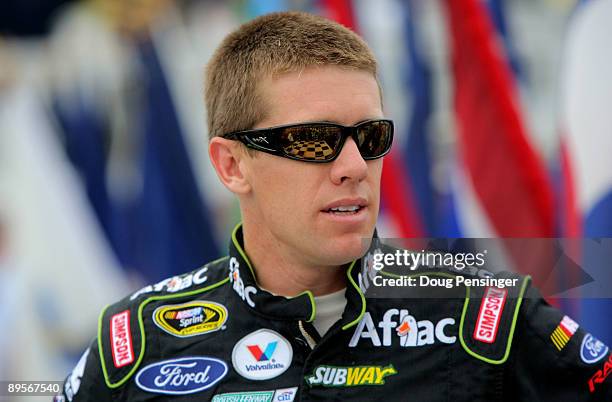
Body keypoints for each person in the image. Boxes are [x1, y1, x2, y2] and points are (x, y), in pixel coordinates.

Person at [55, 11, 611, 402]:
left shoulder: (486, 310)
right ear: (231, 165)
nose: (353, 166)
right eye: (315, 141)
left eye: (370, 137)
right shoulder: (136, 340)